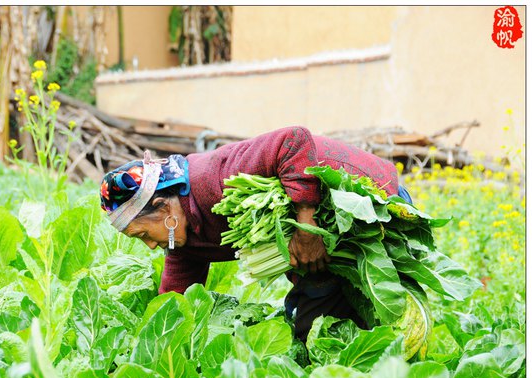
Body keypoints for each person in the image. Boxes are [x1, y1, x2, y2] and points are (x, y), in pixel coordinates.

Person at [99, 126, 413, 341]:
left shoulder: (215, 178)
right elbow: (176, 292)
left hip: (376, 205)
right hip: (332, 244)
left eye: (143, 234)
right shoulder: (183, 235)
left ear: (162, 208)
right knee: (311, 327)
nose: (151, 245)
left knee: (381, 313)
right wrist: (151, 341)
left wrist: (307, 226)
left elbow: (294, 140)